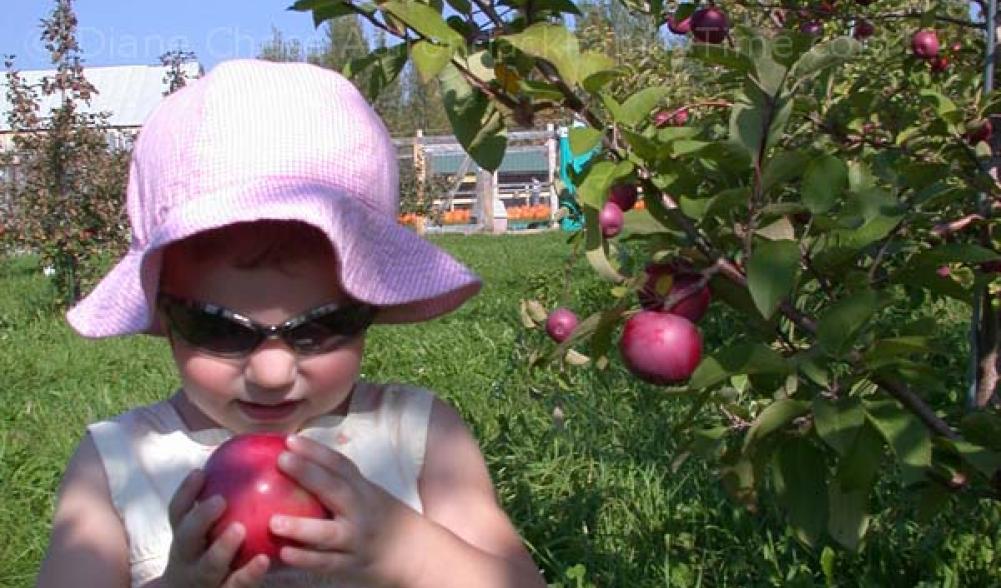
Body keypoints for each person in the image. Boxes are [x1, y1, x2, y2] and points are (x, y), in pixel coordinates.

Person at [35, 59, 545, 588]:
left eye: (319, 327)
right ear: (163, 311)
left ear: (370, 304)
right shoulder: (118, 466)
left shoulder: (418, 438)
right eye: (221, 328)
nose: (273, 372)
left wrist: (409, 552)